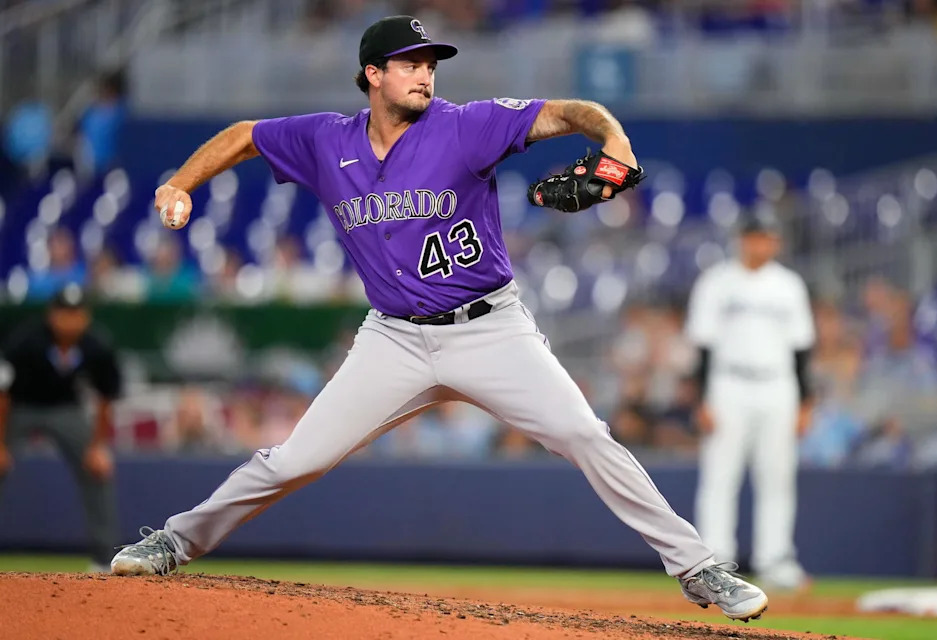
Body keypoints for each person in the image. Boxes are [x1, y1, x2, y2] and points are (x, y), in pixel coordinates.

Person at [110, 15, 768, 621]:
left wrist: (615, 141)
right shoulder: (325, 140)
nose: (425, 73)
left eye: (430, 62)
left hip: (490, 330)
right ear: (373, 74)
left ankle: (700, 568)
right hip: (393, 337)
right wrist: (180, 184)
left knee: (585, 436)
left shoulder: (464, 125)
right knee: (291, 462)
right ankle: (178, 538)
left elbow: (570, 113)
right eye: (408, 62)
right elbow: (244, 137)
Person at [685, 214, 816, 592]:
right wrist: (703, 398)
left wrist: (806, 402)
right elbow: (703, 346)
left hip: (778, 385)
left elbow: (802, 349)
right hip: (728, 384)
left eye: (767, 237)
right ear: (742, 239)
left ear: (775, 242)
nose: (760, 244)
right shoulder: (717, 281)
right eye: (754, 237)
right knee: (720, 474)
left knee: (777, 476)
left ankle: (775, 559)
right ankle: (713, 562)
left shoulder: (789, 285)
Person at [0, 284, 121, 571]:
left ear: (86, 317)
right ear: (51, 315)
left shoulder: (96, 345)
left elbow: (106, 396)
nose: (70, 320)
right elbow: (3, 393)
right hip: (20, 407)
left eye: (76, 314)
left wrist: (98, 446)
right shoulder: (26, 340)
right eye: (64, 313)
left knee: (98, 470)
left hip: (66, 408)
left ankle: (104, 560)